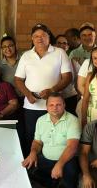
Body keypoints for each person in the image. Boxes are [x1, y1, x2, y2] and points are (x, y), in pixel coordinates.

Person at [14, 23, 73, 152]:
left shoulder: (59, 52)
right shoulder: (26, 56)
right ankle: (33, 168)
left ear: (49, 37)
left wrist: (52, 91)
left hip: (54, 106)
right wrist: (28, 95)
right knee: (32, 137)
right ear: (32, 39)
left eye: (43, 35)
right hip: (31, 106)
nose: (39, 38)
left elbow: (68, 77)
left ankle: (51, 167)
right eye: (36, 36)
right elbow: (18, 79)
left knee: (54, 139)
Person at [21, 93, 81, 188]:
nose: (55, 107)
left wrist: (59, 165)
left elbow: (72, 147)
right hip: (47, 159)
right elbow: (37, 142)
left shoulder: (73, 120)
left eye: (58, 104)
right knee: (26, 166)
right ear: (47, 107)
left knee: (71, 168)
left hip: (66, 159)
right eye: (51, 105)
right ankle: (50, 186)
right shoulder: (41, 120)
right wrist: (33, 153)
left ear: (64, 105)